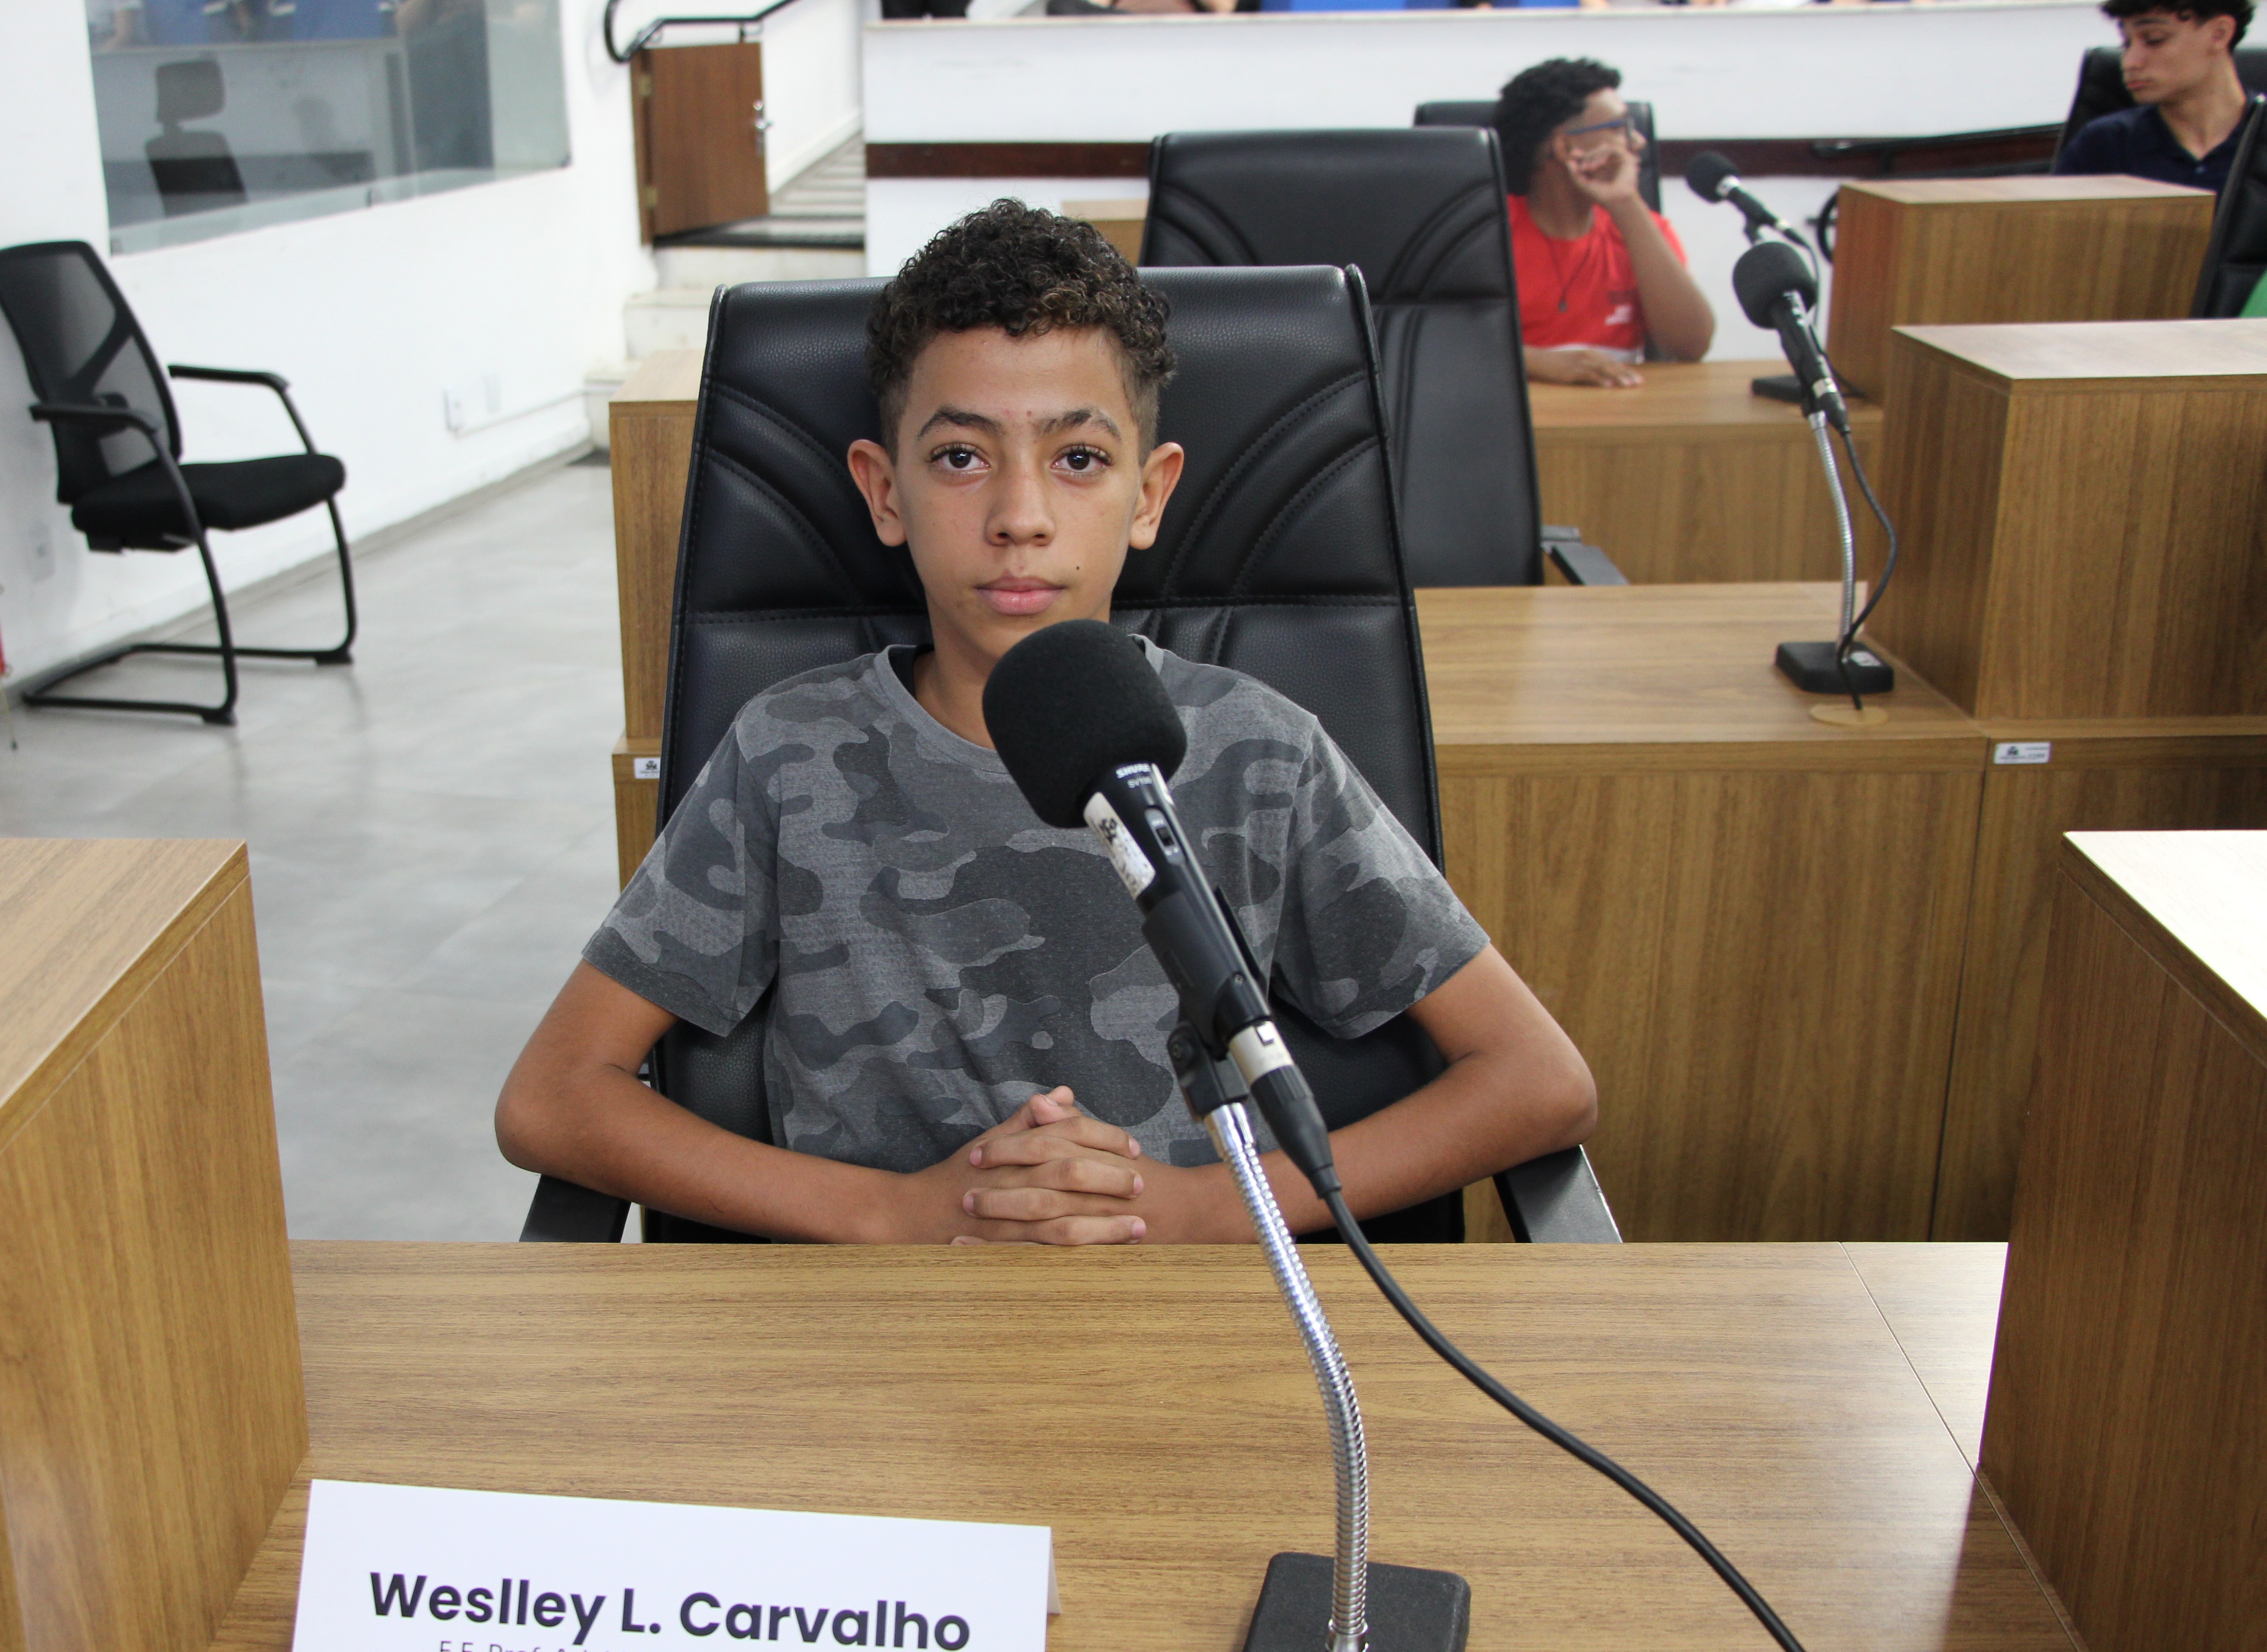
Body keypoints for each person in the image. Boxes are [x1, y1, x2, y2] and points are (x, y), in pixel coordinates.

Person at [495, 202, 1596, 1245]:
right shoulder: (790, 750)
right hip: (869, 1326)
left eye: (1078, 459)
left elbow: (1540, 1080)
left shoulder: (1262, 753)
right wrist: (893, 1214)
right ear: (884, 492)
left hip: (1181, 1315)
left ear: (1148, 493)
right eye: (960, 457)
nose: (1020, 517)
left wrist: (1208, 1211)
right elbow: (551, 1096)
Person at [1496, 57, 1715, 388]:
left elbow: (1691, 345)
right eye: (1619, 128)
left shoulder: (1641, 228)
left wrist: (1626, 204)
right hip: (1515, 410)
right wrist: (1537, 362)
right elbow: (1442, 345)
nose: (1638, 142)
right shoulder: (1487, 233)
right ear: (1565, 146)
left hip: (1617, 409)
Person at [2054, 0, 2257, 191]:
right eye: (2126, 44)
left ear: (2219, 34)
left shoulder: (2259, 139)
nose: (2130, 62)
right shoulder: (2103, 145)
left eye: (2154, 39)